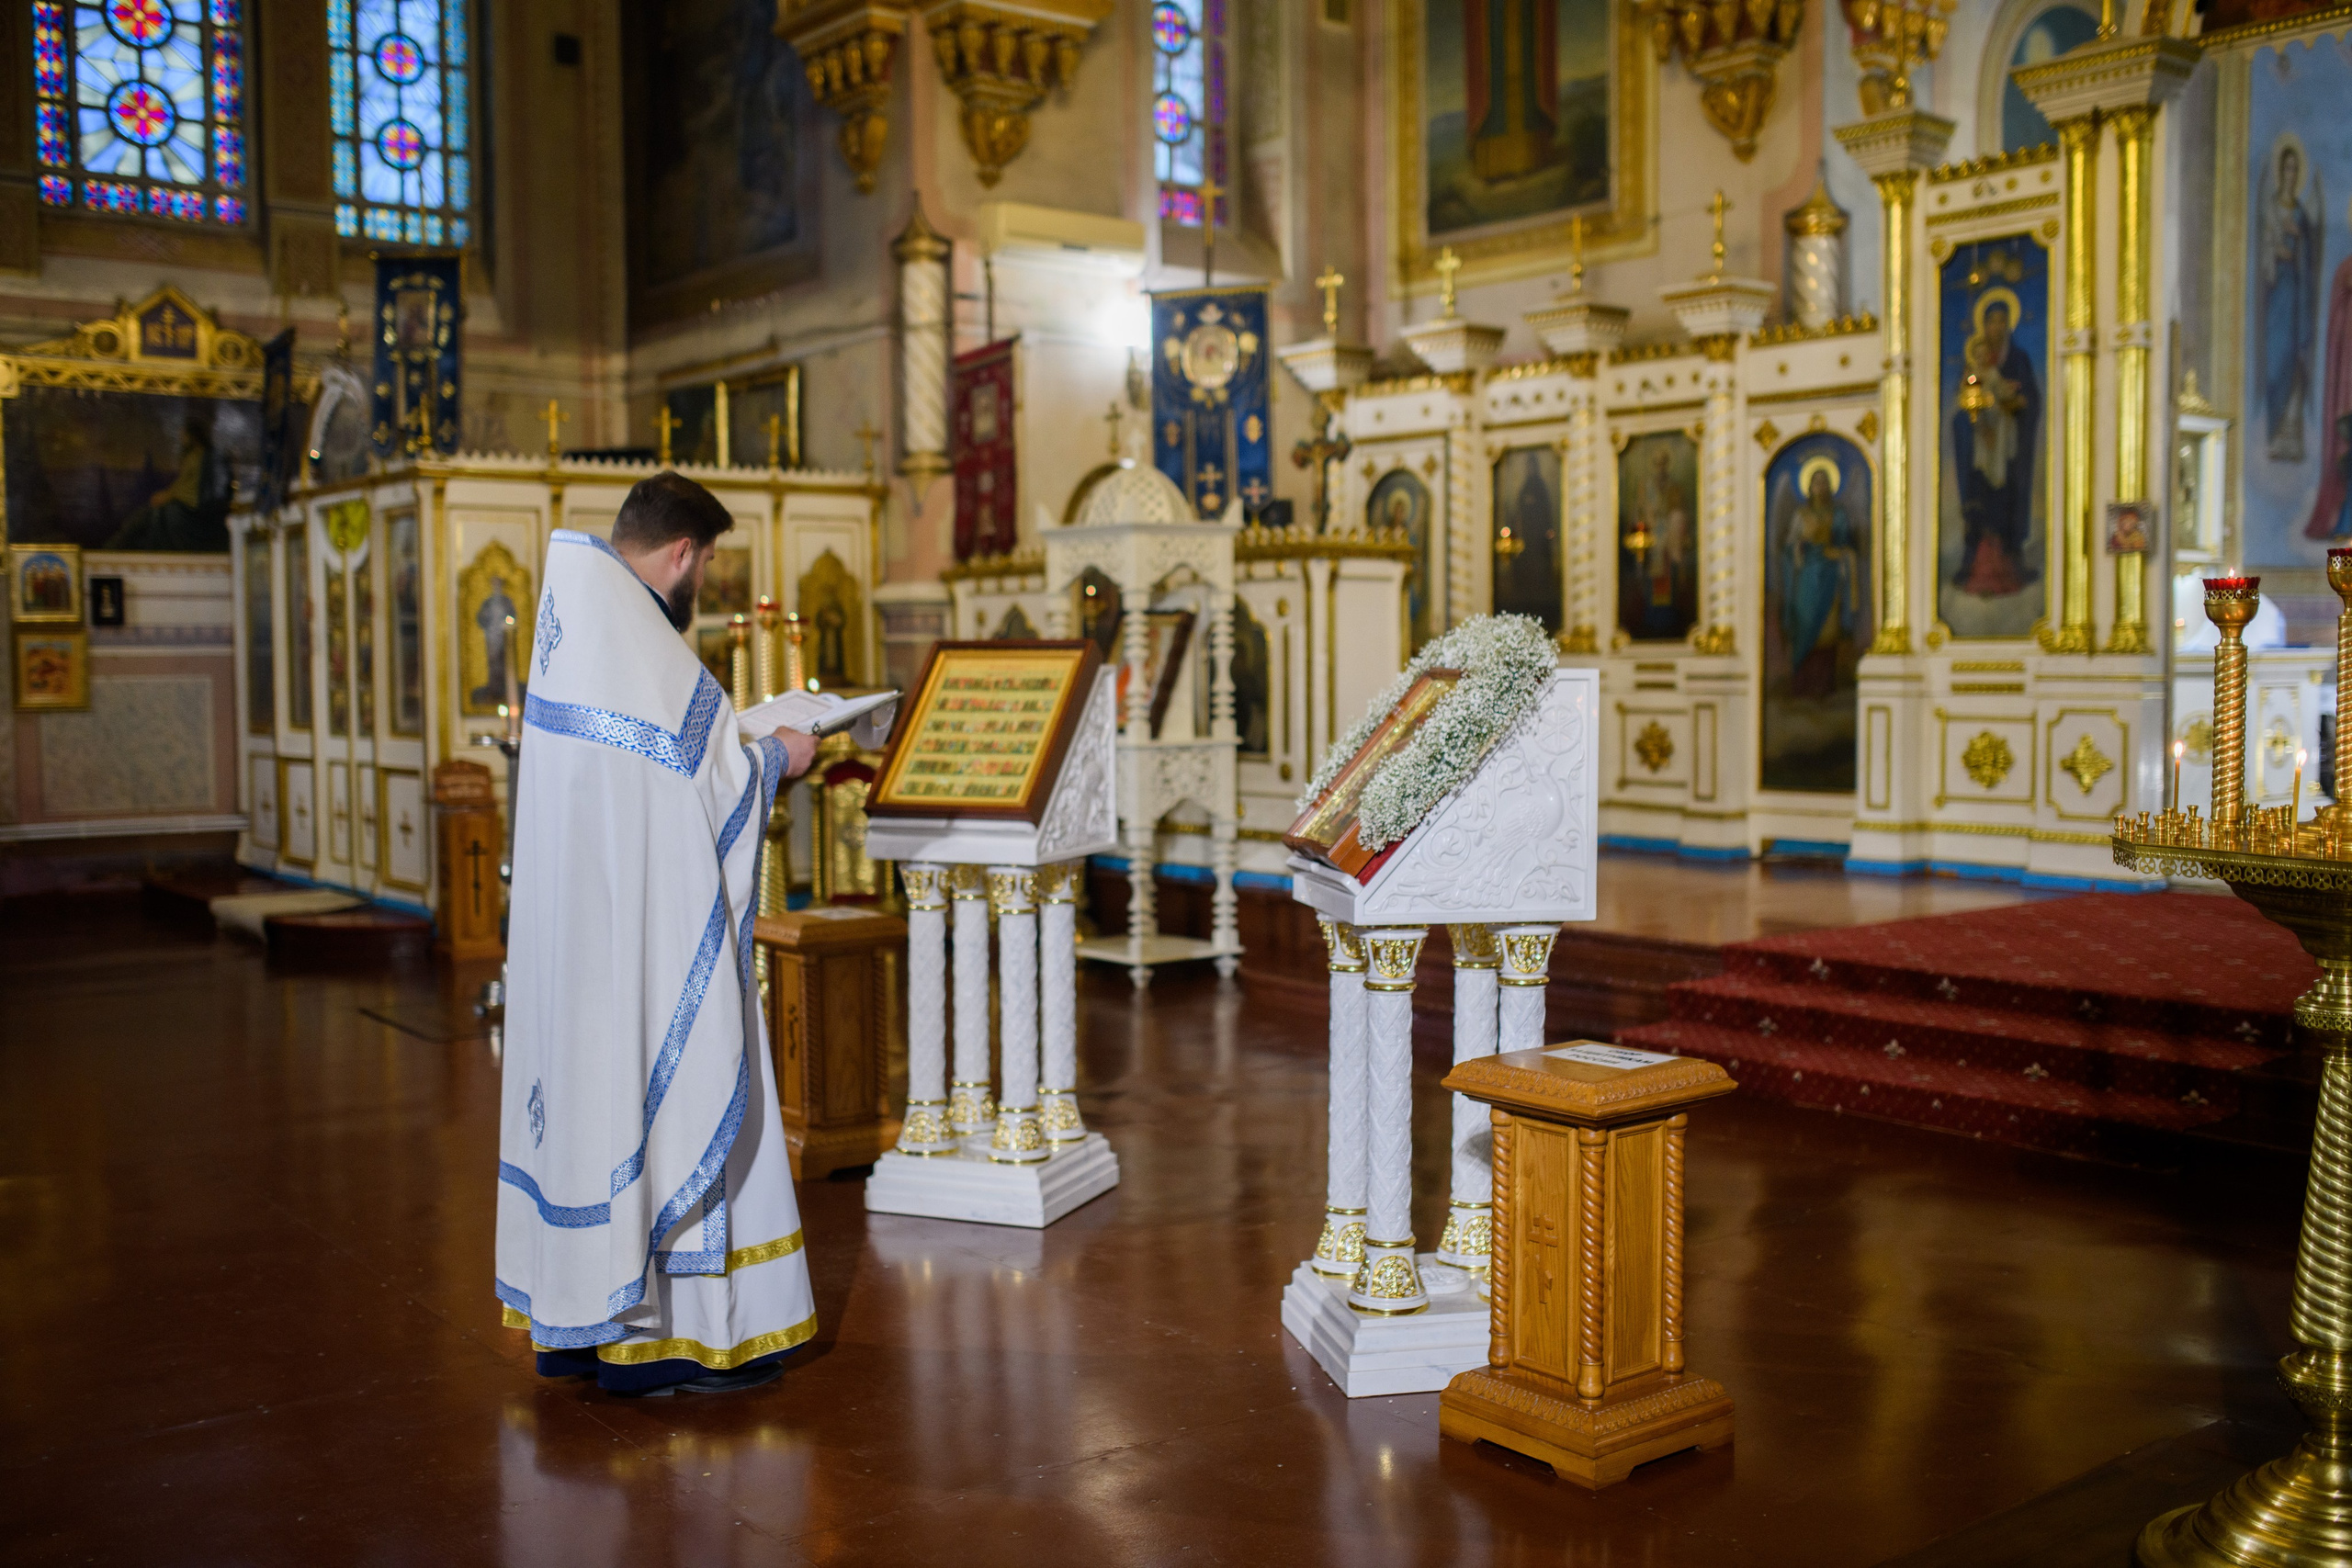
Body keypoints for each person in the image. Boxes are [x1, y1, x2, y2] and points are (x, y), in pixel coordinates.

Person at [495, 470, 820, 1397]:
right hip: (643, 947)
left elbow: (654, 779)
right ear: (683, 552)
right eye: (705, 564)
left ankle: (574, 1326)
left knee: (582, 1117)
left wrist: (735, 746)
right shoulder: (643, 644)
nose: (701, 584)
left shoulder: (575, 629)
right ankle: (678, 1340)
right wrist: (781, 755)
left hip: (576, 947)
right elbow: (709, 790)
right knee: (662, 1095)